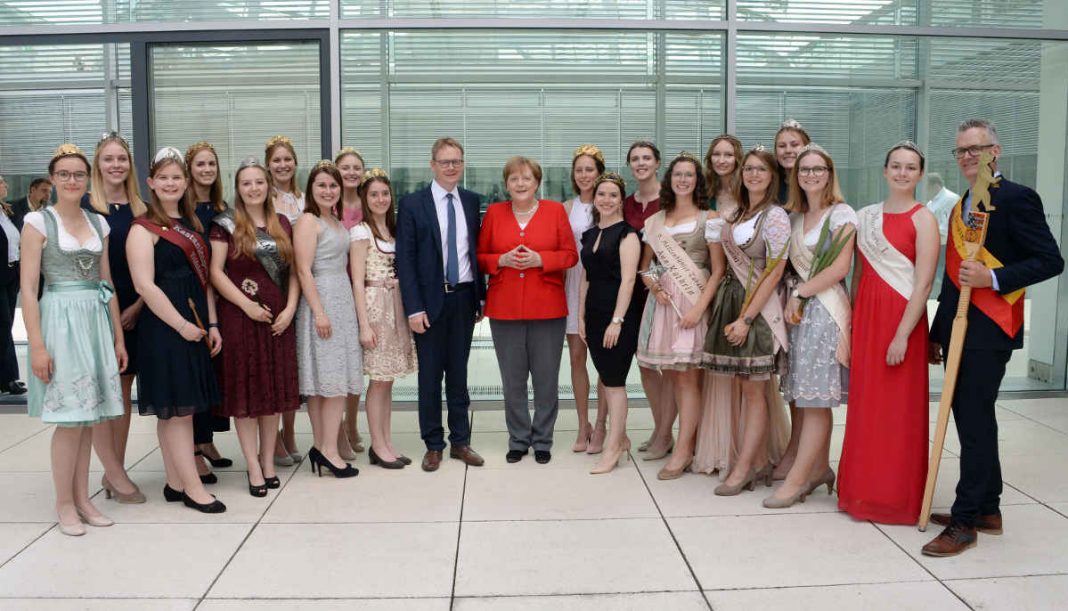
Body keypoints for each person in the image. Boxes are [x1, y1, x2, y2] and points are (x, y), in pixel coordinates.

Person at [922, 120, 1063, 557]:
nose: (967, 157)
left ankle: (965, 522)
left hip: (991, 328)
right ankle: (987, 508)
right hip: (960, 327)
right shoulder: (961, 204)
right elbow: (953, 277)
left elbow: (1049, 260)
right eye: (961, 150)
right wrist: (936, 332)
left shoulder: (1017, 198)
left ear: (995, 152)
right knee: (971, 418)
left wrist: (994, 277)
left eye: (976, 149)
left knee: (975, 419)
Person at [21, 144, 126, 535]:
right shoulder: (38, 223)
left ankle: (83, 499)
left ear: (88, 179)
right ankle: (64, 503)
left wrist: (117, 337)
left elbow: (107, 283)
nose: (71, 180)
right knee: (69, 420)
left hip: (94, 322)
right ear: (52, 179)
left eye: (78, 174)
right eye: (63, 174)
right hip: (60, 322)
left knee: (88, 418)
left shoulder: (100, 224)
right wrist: (37, 345)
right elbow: (29, 289)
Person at [838, 141, 937, 526]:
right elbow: (858, 274)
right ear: (884, 170)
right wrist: (852, 322)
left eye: (910, 167)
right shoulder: (866, 217)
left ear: (919, 174)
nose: (901, 173)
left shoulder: (924, 219)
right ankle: (860, 493)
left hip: (903, 322)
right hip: (868, 319)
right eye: (895, 166)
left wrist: (901, 336)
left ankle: (896, 499)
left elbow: (925, 284)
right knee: (867, 408)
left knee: (898, 413)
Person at [127, 146, 225, 513]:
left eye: (176, 178)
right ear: (151, 183)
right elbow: (145, 286)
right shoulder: (143, 228)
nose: (171, 183)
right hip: (166, 329)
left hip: (195, 324)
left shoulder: (191, 225)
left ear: (186, 183)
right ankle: (193, 488)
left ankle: (173, 480)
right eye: (163, 178)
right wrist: (183, 325)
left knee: (176, 409)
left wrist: (211, 323)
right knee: (178, 410)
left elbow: (204, 284)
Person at [693, 135, 790, 478]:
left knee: (753, 389)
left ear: (772, 175)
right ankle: (754, 458)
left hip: (755, 308)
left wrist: (748, 317)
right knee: (740, 386)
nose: (752, 174)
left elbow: (776, 269)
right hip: (730, 300)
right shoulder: (737, 213)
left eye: (760, 169)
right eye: (749, 168)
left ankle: (748, 466)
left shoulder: (775, 215)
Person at [769, 144, 856, 508]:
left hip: (824, 310)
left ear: (830, 172)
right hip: (798, 313)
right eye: (804, 170)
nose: (811, 175)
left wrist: (801, 292)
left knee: (816, 400)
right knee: (804, 399)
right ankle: (818, 468)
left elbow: (840, 268)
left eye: (818, 168)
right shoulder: (793, 217)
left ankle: (799, 479)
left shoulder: (841, 214)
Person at [477, 156, 577, 465]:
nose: (520, 184)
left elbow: (570, 255)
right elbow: (480, 256)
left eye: (527, 179)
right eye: (514, 179)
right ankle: (518, 439)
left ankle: (543, 439)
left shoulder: (555, 211)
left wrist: (541, 260)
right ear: (506, 184)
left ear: (537, 182)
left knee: (546, 379)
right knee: (513, 379)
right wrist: (500, 261)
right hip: (505, 308)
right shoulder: (494, 213)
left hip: (547, 307)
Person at [209, 157, 299, 496]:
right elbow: (216, 273)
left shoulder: (284, 225)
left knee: (272, 396)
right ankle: (252, 466)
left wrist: (290, 309)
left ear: (268, 186)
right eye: (246, 183)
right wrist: (246, 306)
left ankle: (268, 461)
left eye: (259, 182)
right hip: (240, 319)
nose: (253, 188)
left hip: (277, 321)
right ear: (238, 188)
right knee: (246, 397)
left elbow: (293, 273)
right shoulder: (224, 225)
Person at [395, 137, 486, 472]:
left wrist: (480, 296)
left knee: (459, 376)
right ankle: (434, 444)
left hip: (463, 299)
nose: (451, 167)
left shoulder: (472, 201)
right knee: (430, 378)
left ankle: (460, 442)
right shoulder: (412, 204)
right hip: (429, 303)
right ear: (432, 165)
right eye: (445, 161)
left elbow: (474, 254)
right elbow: (406, 259)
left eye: (457, 161)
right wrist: (413, 308)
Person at [636, 152, 724, 480]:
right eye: (678, 175)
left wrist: (699, 308)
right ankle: (674, 438)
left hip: (693, 302)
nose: (683, 180)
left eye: (689, 175)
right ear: (669, 179)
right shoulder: (656, 220)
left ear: (697, 181)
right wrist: (653, 285)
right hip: (664, 304)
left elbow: (718, 271)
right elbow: (647, 265)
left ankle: (686, 450)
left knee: (688, 378)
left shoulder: (709, 217)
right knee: (673, 377)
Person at [87, 132, 147, 504]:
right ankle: (113, 471)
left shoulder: (143, 209)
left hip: (139, 306)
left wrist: (138, 305)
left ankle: (116, 471)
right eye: (108, 159)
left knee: (124, 392)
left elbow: (151, 268)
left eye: (121, 159)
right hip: (99, 307)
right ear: (98, 165)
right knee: (102, 393)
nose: (115, 165)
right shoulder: (86, 207)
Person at [294, 160, 362, 478]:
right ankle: (330, 450)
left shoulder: (333, 220)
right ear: (311, 189)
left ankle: (322, 447)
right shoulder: (308, 221)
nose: (328, 190)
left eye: (333, 185)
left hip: (342, 296)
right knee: (331, 383)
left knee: (327, 384)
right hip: (322, 299)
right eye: (321, 185)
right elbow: (303, 269)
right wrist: (319, 311)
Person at [351, 169, 417, 469]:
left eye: (385, 194)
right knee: (377, 381)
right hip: (375, 308)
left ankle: (387, 441)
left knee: (387, 381)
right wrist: (363, 324)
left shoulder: (392, 230)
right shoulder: (361, 232)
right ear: (365, 198)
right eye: (374, 194)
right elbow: (356, 281)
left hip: (396, 309)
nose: (380, 199)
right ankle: (377, 444)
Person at [579, 172, 642, 474]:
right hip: (592, 315)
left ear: (621, 200)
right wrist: (580, 316)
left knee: (614, 383)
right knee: (604, 376)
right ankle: (623, 437)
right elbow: (586, 278)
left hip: (618, 316)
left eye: (612, 195)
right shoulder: (590, 234)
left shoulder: (627, 234)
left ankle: (614, 446)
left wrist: (617, 321)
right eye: (601, 194)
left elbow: (629, 280)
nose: (606, 199)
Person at [623, 140, 676, 460]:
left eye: (646, 158)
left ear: (657, 163)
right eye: (635, 159)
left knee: (668, 367)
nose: (641, 163)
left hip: (666, 291)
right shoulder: (626, 202)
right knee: (644, 365)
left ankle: (666, 433)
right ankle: (661, 429)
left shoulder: (670, 201)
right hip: (635, 294)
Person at [185, 141, 233, 483]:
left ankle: (207, 439)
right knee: (194, 375)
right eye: (200, 164)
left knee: (214, 373)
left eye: (211, 164)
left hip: (216, 296)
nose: (206, 169)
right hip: (189, 298)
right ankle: (192, 451)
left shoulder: (221, 207)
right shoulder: (181, 207)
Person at [265, 135, 304, 466]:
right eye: (276, 160)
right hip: (276, 285)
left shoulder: (304, 199)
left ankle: (290, 432)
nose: (282, 165)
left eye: (287, 159)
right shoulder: (264, 200)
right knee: (276, 366)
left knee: (295, 367)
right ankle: (274, 436)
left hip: (306, 285)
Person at [563, 144, 605, 452]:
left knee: (605, 361)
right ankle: (582, 424)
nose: (585, 175)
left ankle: (602, 425)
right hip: (574, 285)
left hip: (602, 286)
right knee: (577, 358)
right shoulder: (565, 208)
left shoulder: (609, 203)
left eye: (590, 169)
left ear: (599, 173)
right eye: (579, 170)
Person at [335, 146, 367, 459]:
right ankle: (338, 427)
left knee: (356, 364)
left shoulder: (367, 204)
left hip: (363, 289)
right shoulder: (328, 205)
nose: (352, 173)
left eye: (357, 167)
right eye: (345, 167)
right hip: (335, 288)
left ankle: (353, 424)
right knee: (339, 362)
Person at [0, 174, 26, 395]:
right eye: (0, 182)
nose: (5, 185)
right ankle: (8, 378)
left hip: (10, 274)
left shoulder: (6, 211)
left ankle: (9, 377)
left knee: (6, 325)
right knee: (3, 324)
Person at [773, 119, 811, 204]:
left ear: (806, 147)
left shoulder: (816, 181)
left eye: (795, 145)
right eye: (782, 146)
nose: (788, 150)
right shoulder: (770, 182)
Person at [925, 173, 959, 245]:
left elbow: (946, 230)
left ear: (935, 187)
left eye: (926, 188)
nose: (924, 192)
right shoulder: (930, 203)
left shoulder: (951, 199)